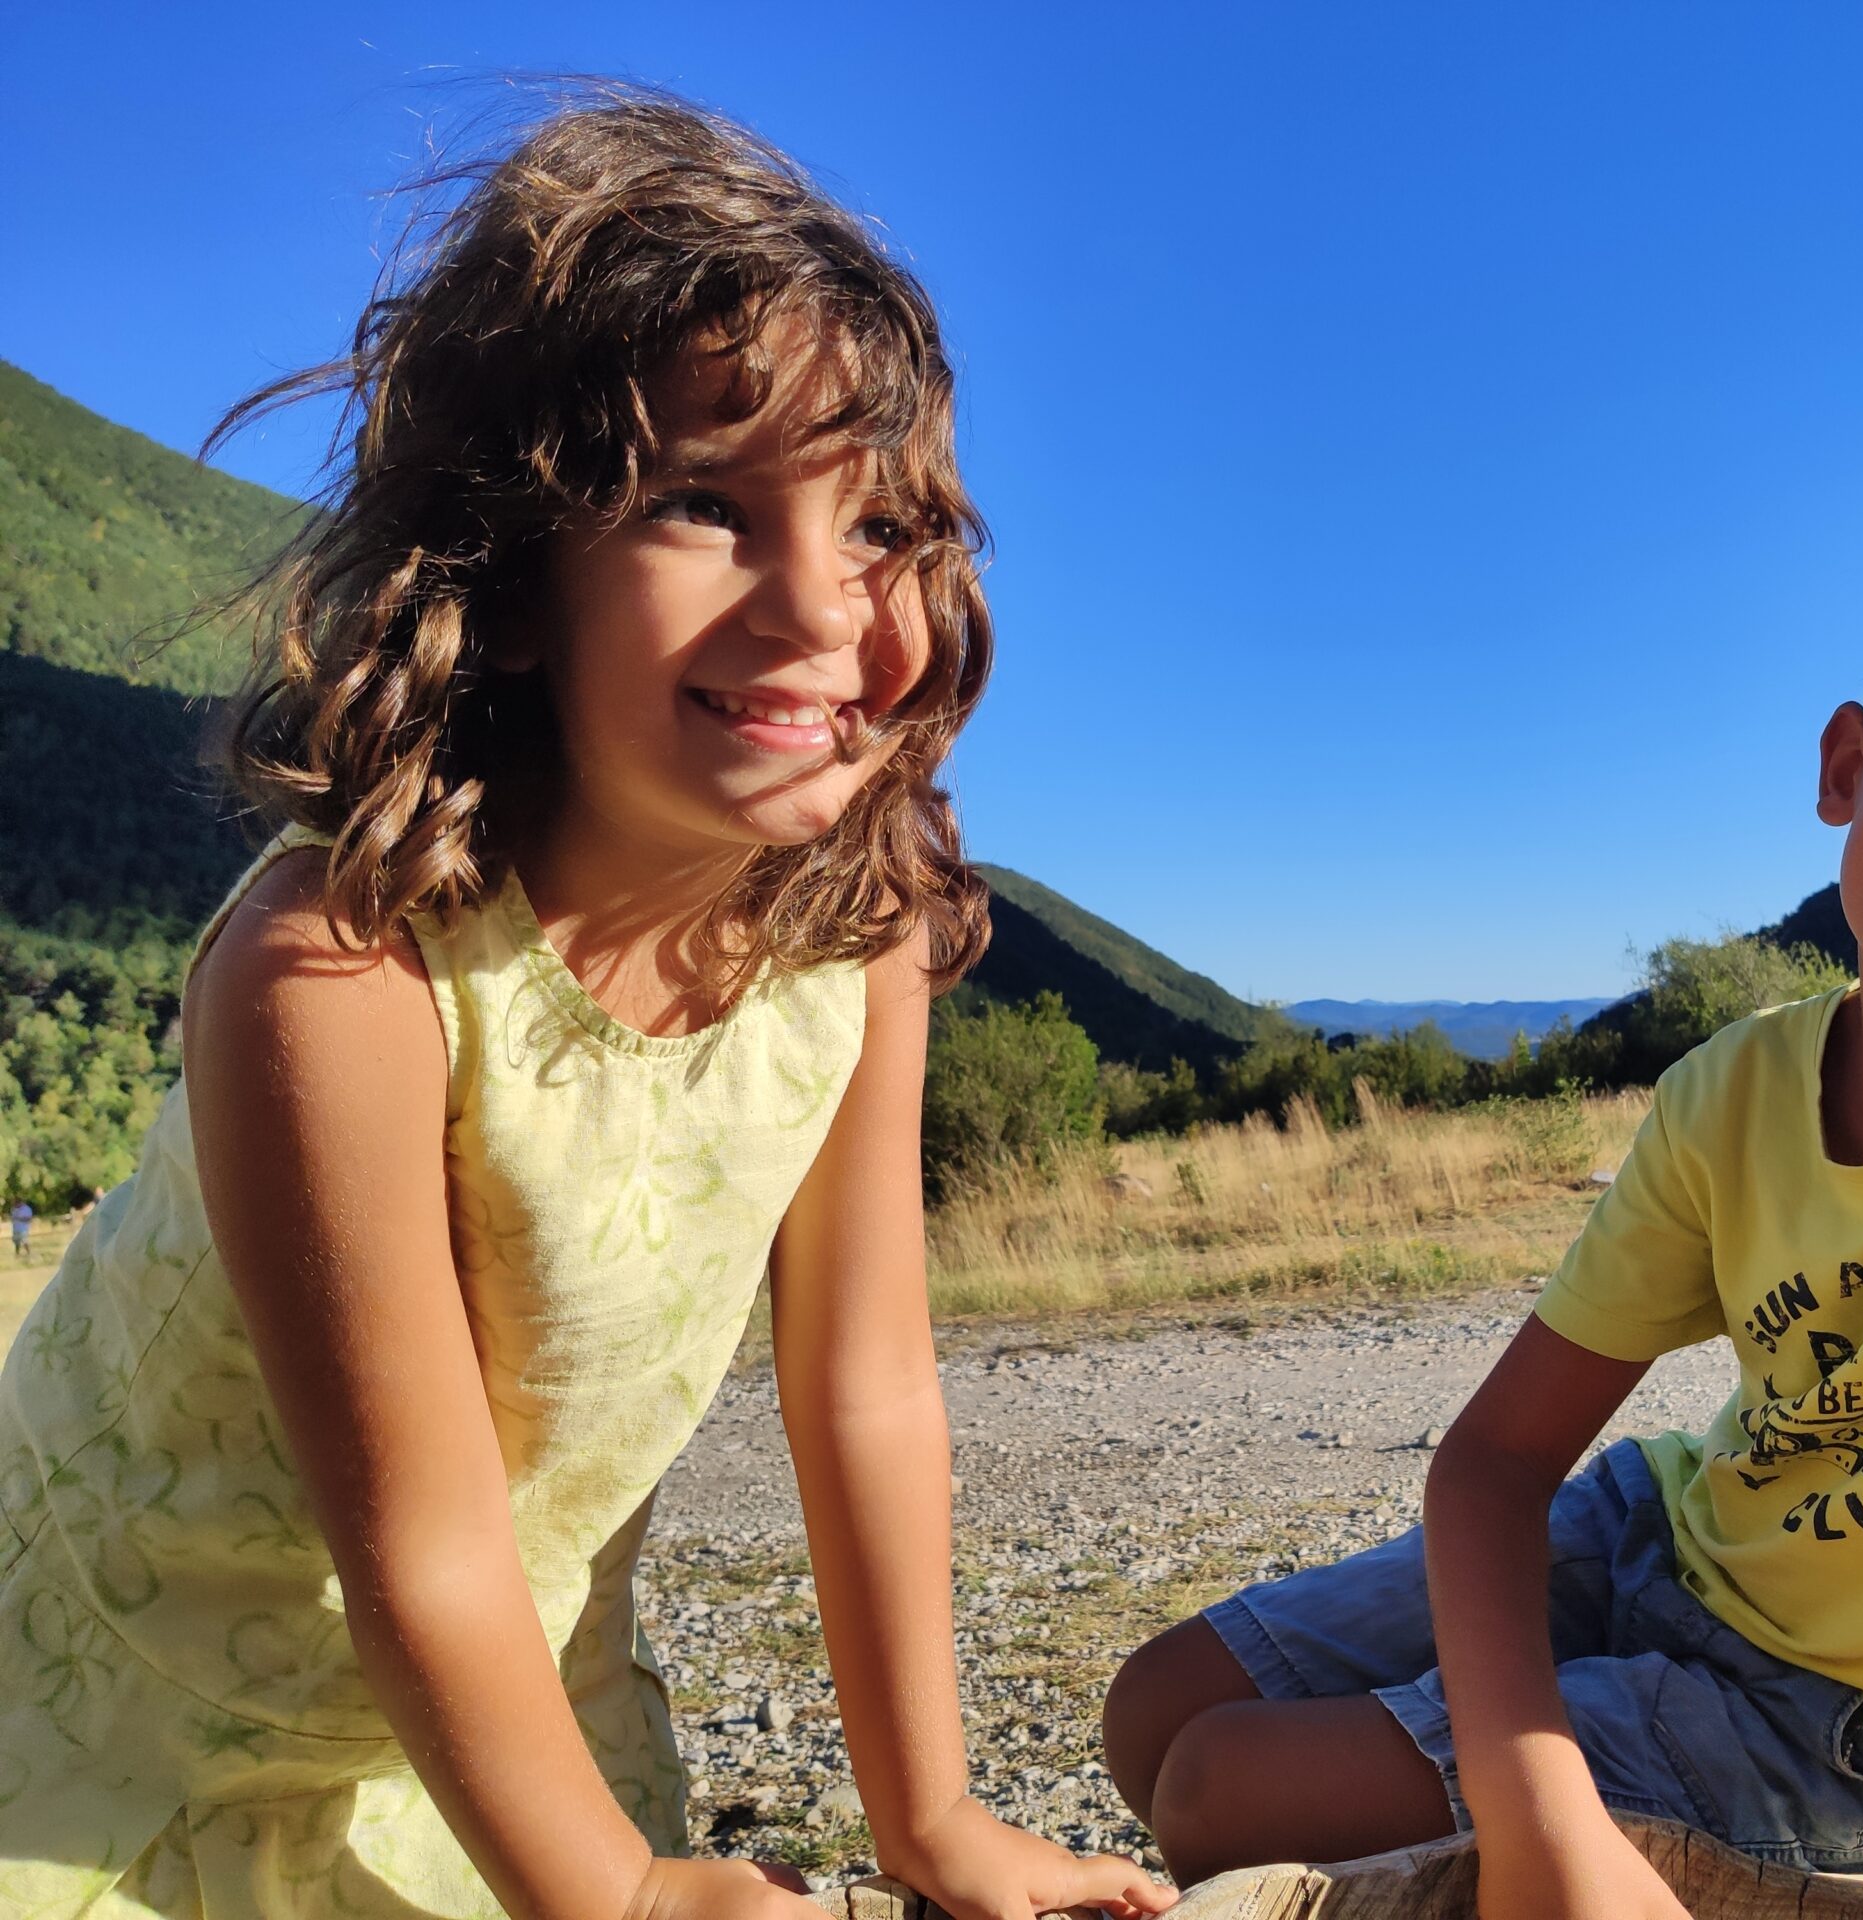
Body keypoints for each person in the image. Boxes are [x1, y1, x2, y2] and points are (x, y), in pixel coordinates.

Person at [0, 95, 1171, 1920]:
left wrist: (933, 1820)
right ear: (513, 568)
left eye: (881, 523)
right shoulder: (340, 975)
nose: (820, 603)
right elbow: (419, 1539)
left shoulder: (858, 940)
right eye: (704, 503)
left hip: (506, 1706)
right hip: (132, 1725)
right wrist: (620, 1898)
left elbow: (863, 1389)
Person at [1104, 507, 1863, 1920]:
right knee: (1155, 1711)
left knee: (1225, 1793)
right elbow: (1496, 1461)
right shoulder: (1734, 1085)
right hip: (1673, 1539)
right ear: (1848, 766)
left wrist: (1537, 1811)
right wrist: (1539, 1808)